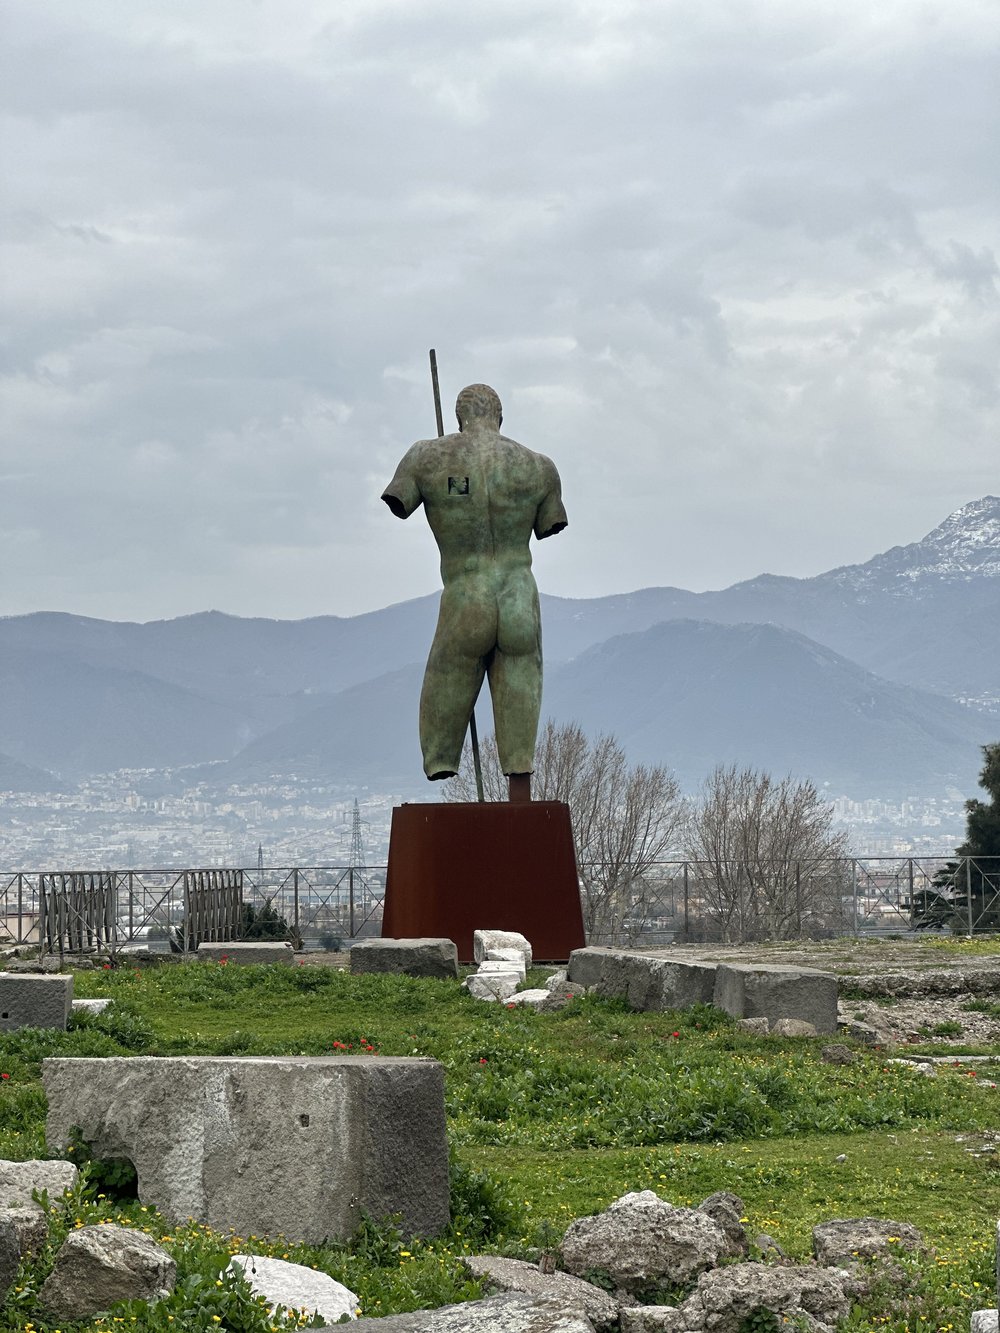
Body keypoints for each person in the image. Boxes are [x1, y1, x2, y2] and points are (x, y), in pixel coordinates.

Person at [381, 383, 567, 797]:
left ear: (459, 416)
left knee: (447, 674)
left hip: (466, 595)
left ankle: (441, 759)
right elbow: (549, 524)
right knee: (523, 678)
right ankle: (519, 769)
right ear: (500, 417)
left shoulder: (427, 456)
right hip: (519, 595)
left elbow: (399, 500)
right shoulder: (539, 466)